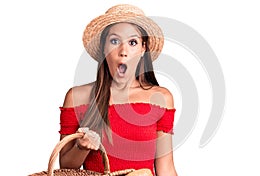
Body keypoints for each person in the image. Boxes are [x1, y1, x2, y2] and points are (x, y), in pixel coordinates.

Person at [58, 4, 178, 176]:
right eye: (114, 41)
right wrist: (81, 146)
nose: (123, 51)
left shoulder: (161, 97)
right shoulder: (77, 97)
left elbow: (165, 168)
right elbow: (66, 167)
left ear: (143, 48)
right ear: (104, 48)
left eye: (132, 42)